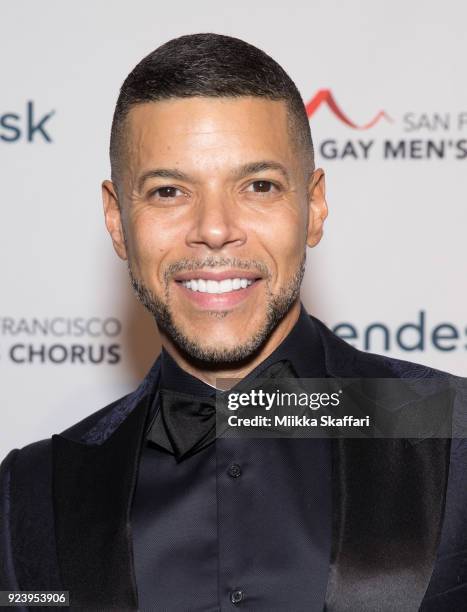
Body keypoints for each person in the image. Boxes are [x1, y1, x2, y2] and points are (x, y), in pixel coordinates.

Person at [0, 33, 465, 611]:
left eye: (259, 186)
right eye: (169, 191)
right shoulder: (32, 492)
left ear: (314, 207)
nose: (215, 229)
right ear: (117, 222)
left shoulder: (454, 433)